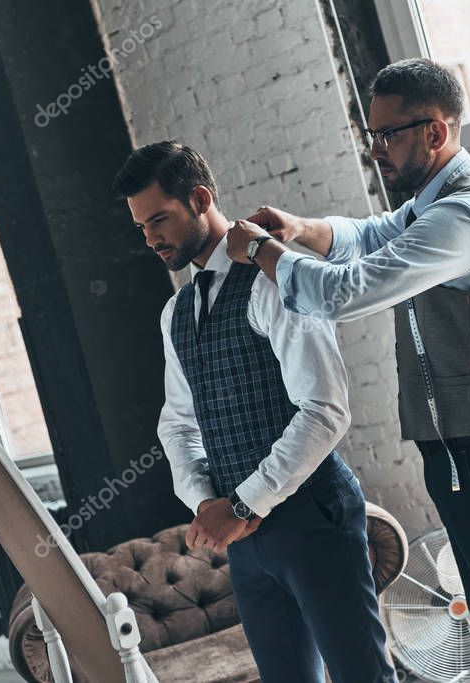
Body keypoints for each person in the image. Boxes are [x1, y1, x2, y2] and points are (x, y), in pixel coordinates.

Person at [225, 58, 470, 682]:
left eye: (388, 135)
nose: (376, 151)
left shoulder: (464, 217)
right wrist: (301, 229)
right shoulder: (436, 201)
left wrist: (265, 251)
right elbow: (375, 234)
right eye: (371, 135)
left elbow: (345, 292)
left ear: (436, 132)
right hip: (460, 452)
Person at [114, 141, 396, 683]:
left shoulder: (276, 280)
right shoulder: (176, 312)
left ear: (199, 199)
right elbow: (176, 425)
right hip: (242, 540)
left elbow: (325, 410)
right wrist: (207, 507)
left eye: (160, 220)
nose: (150, 238)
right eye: (141, 228)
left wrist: (241, 505)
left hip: (314, 518)